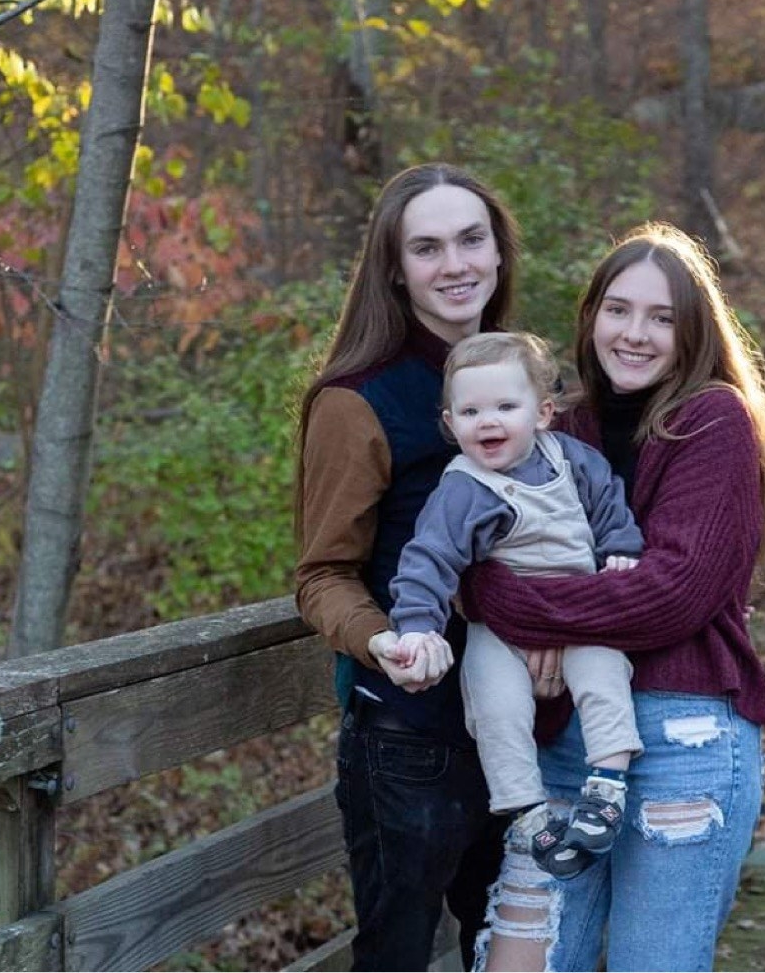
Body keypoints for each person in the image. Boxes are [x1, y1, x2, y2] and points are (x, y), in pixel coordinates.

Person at [460, 221, 765, 973]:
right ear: (590, 317)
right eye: (618, 309)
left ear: (692, 331)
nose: (634, 333)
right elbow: (470, 553)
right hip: (562, 751)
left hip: (684, 744)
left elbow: (671, 593)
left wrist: (521, 608)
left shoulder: (713, 421)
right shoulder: (553, 422)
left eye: (662, 317)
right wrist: (503, 591)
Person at [294, 164, 521, 972]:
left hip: (527, 731)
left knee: (521, 949)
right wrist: (381, 639)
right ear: (395, 267)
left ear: (498, 252)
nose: (455, 263)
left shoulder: (517, 382)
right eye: (427, 247)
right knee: (397, 958)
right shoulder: (358, 401)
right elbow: (322, 573)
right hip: (411, 739)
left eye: (471, 239)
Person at [388, 331, 645, 880]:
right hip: (500, 632)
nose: (488, 421)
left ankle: (607, 787)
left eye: (506, 406)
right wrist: (416, 627)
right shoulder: (463, 489)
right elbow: (428, 559)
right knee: (494, 703)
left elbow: (609, 506)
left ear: (544, 412)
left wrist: (622, 548)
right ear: (450, 421)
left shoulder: (574, 460)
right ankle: (527, 812)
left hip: (580, 610)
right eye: (471, 410)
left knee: (604, 675)